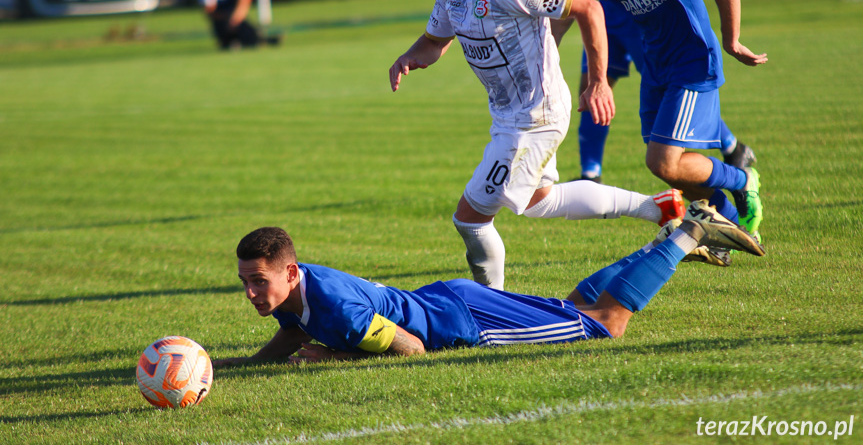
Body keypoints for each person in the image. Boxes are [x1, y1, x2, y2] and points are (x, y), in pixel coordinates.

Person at [388, 0, 688, 291]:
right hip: (507, 120)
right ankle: (658, 207)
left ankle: (491, 309)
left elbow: (589, 9)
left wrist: (598, 81)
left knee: (471, 219)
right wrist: (410, 57)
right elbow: (435, 41)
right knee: (539, 201)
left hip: (536, 118)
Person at [212, 201, 764, 367]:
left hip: (467, 323)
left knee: (604, 326)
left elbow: (412, 347)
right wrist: (239, 364)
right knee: (575, 305)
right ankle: (663, 245)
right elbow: (290, 335)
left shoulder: (333, 304)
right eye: (245, 283)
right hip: (448, 296)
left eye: (258, 282)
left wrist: (329, 357)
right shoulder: (295, 292)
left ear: (289, 271)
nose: (251, 293)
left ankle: (689, 232)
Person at [566, 0, 766, 239]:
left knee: (663, 162)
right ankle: (727, 227)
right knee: (667, 169)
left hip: (692, 59)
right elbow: (562, 16)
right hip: (655, 63)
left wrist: (731, 40)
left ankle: (741, 178)